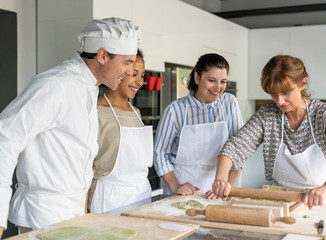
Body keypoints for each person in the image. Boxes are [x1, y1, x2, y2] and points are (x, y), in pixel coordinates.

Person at [0, 17, 141, 237]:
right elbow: (4, 138)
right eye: (127, 63)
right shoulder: (55, 84)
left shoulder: (90, 88)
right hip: (42, 216)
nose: (130, 72)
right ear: (103, 55)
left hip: (72, 216)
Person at [212, 54, 326, 208]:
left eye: (286, 92)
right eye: (273, 94)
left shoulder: (324, 114)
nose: (279, 101)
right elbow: (235, 148)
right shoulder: (268, 115)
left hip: (323, 203)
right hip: (281, 203)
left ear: (303, 83)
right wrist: (221, 179)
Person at [154, 53, 243, 198]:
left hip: (219, 192)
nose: (218, 87)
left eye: (223, 81)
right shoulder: (175, 110)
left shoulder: (229, 103)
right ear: (197, 78)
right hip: (182, 192)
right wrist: (176, 185)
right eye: (212, 80)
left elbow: (238, 151)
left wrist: (229, 190)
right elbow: (160, 154)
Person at [88, 49, 152, 213]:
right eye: (134, 74)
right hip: (109, 199)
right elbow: (85, 165)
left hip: (141, 195)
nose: (139, 82)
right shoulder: (95, 111)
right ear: (120, 72)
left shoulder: (136, 112)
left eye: (142, 76)